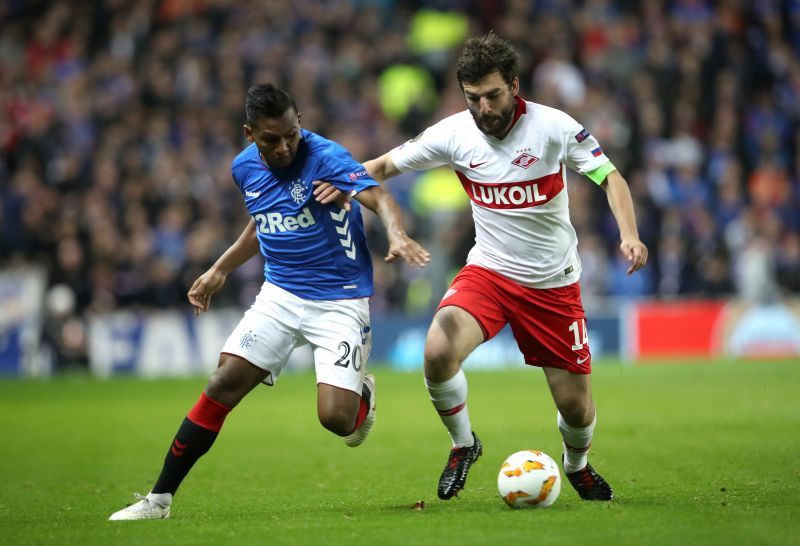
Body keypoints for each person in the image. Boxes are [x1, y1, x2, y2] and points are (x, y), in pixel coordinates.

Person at [325, 31, 648, 501]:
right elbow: (384, 165)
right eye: (473, 98)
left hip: (553, 285)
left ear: (514, 86)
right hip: (490, 274)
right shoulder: (452, 134)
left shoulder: (554, 127)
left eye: (493, 95)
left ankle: (576, 465)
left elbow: (610, 177)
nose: (484, 108)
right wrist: (336, 179)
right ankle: (464, 444)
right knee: (437, 351)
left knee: (576, 409)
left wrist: (630, 234)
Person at [109, 84, 430, 520]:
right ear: (249, 134)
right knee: (222, 384)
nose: (284, 147)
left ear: (300, 124)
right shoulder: (243, 169)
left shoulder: (326, 157)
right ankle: (158, 500)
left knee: (337, 420)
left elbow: (380, 196)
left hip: (340, 299)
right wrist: (220, 268)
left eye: (291, 135)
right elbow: (261, 220)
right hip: (279, 295)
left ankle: (362, 398)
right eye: (271, 139)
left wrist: (395, 232)